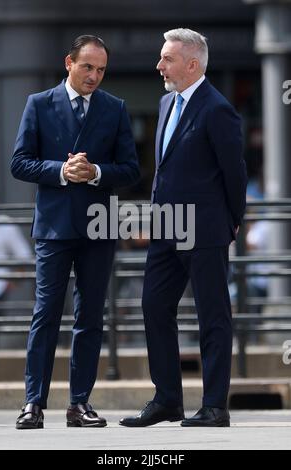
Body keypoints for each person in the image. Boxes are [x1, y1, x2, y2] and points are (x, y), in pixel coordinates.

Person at [120, 28, 247, 428]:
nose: (159, 65)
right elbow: (164, 169)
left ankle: (214, 406)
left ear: (192, 64)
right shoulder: (164, 102)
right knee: (154, 306)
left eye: (167, 58)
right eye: (161, 57)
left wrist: (232, 222)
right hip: (165, 228)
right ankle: (168, 400)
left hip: (205, 229)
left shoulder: (217, 109)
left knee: (213, 315)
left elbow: (235, 172)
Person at [11, 35, 140, 430]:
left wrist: (97, 172)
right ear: (69, 63)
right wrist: (61, 171)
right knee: (45, 314)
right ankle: (33, 402)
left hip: (98, 227)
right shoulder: (38, 103)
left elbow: (131, 169)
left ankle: (79, 403)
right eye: (87, 67)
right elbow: (19, 162)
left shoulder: (115, 108)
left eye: (101, 70)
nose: (94, 76)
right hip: (53, 228)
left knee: (89, 317)